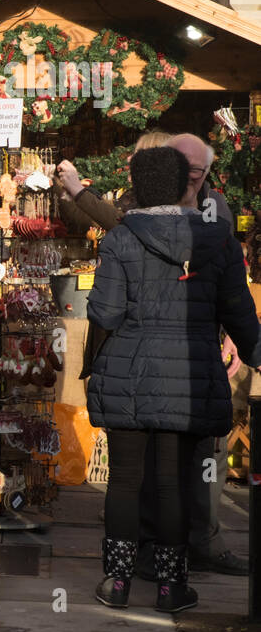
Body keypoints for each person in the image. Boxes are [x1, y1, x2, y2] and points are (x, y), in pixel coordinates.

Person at [59, 131, 247, 576]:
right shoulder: (213, 234)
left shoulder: (132, 233)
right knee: (170, 481)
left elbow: (104, 310)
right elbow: (234, 303)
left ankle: (123, 578)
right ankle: (170, 578)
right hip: (185, 374)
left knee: (139, 478)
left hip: (140, 371)